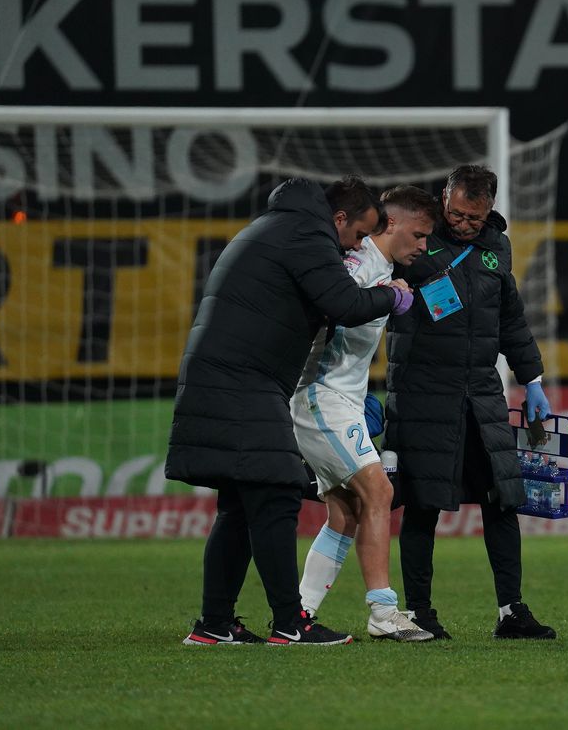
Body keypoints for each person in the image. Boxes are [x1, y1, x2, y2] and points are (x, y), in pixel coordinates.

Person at [167, 176, 414, 646]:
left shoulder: (277, 225)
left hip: (228, 375)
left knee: (239, 505)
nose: (358, 245)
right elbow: (342, 301)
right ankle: (290, 622)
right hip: (245, 380)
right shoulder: (308, 234)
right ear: (339, 218)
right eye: (359, 234)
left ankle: (213, 625)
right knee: (276, 494)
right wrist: (392, 296)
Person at [385, 164, 556, 640]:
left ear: (489, 212)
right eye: (457, 214)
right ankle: (420, 613)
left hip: (481, 394)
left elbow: (511, 320)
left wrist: (532, 378)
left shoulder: (495, 248)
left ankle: (511, 612)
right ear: (444, 198)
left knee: (502, 501)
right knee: (422, 505)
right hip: (422, 394)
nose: (463, 224)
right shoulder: (414, 240)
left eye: (474, 219)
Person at [291, 186, 439, 642]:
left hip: (344, 399)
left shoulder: (385, 269)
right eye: (418, 234)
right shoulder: (356, 266)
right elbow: (331, 308)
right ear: (390, 224)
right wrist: (386, 295)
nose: (423, 246)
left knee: (347, 511)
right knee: (379, 491)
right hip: (319, 395)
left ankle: (299, 615)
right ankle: (382, 611)